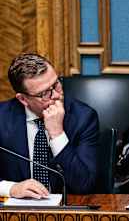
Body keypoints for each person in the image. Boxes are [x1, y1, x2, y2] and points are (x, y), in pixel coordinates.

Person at [0, 53, 99, 199]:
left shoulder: (83, 117)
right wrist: (11, 188)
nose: (56, 95)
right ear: (23, 99)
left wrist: (57, 134)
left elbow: (84, 184)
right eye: (45, 93)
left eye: (56, 84)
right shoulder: (2, 118)